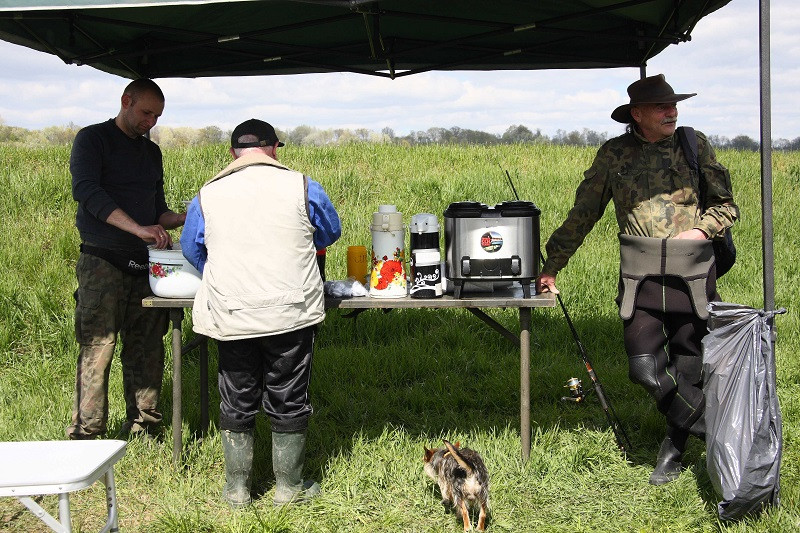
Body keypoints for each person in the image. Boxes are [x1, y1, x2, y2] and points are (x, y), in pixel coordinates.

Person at [535, 74, 738, 485]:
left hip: (692, 274)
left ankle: (674, 449)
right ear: (637, 115)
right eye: (662, 107)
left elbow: (726, 206)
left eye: (674, 105)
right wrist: (553, 264)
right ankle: (713, 426)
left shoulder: (693, 144)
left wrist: (700, 230)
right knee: (644, 368)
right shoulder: (614, 154)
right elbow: (583, 213)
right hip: (640, 275)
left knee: (689, 364)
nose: (672, 111)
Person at [180, 119, 341, 507]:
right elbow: (329, 232)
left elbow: (192, 249)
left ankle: (237, 491)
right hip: (291, 310)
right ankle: (289, 489)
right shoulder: (303, 185)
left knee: (236, 397)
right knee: (288, 396)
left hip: (232, 313)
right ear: (273, 149)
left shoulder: (207, 194)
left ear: (233, 153)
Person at [68, 78, 186, 440]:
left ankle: (144, 427)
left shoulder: (151, 153)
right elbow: (86, 192)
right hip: (103, 261)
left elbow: (158, 212)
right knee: (98, 345)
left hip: (147, 265)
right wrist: (137, 228)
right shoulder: (93, 139)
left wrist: (190, 216)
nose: (150, 122)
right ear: (126, 101)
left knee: (148, 346)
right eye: (146, 112)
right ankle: (87, 435)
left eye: (157, 116)